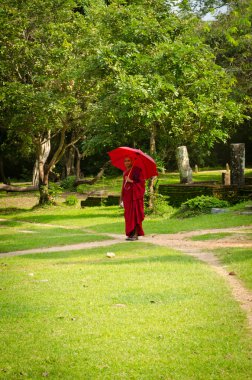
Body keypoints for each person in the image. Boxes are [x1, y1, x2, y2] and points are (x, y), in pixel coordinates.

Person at [120, 157, 145, 241]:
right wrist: (121, 197)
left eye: (128, 160)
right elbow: (123, 186)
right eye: (125, 161)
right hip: (127, 197)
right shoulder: (125, 172)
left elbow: (141, 183)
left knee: (134, 215)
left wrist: (131, 181)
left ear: (132, 161)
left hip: (135, 197)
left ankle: (135, 234)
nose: (126, 162)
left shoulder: (137, 170)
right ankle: (131, 233)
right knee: (128, 215)